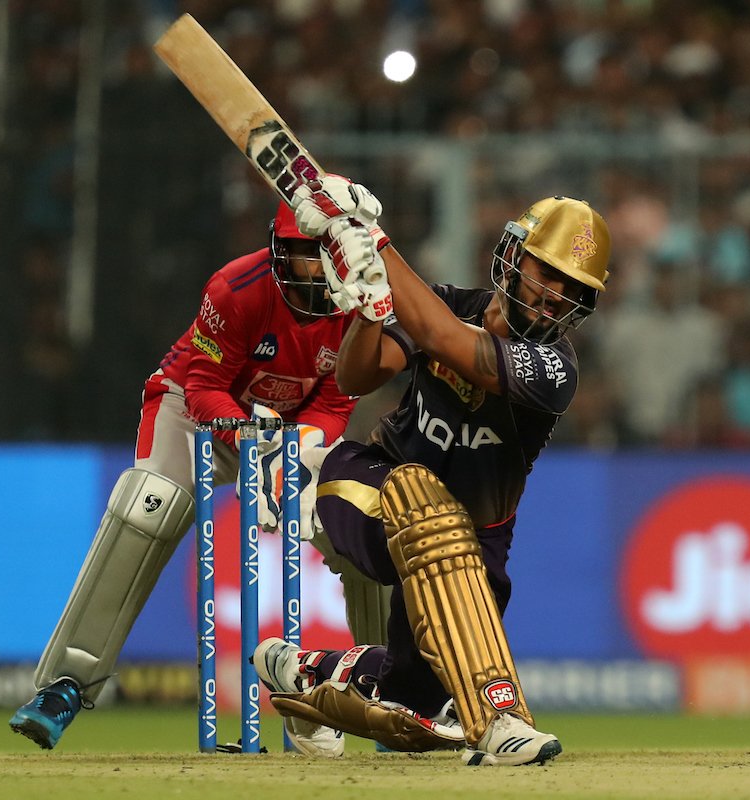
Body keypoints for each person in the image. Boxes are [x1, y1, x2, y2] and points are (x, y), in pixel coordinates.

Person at [252, 177, 611, 766]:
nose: (552, 297)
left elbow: (443, 337)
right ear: (514, 259)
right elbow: (354, 379)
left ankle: (302, 667)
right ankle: (500, 717)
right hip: (369, 485)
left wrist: (374, 242)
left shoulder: (554, 369)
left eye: (571, 290)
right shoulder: (446, 300)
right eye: (546, 274)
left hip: (470, 550)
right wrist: (370, 310)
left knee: (412, 696)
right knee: (424, 500)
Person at [9, 203, 391, 755]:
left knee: (356, 518)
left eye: (322, 256)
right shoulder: (238, 286)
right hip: (197, 413)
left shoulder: (362, 305)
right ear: (280, 252)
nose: (314, 270)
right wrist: (247, 440)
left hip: (289, 431)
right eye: (303, 256)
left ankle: (391, 693)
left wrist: (293, 454)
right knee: (150, 503)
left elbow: (334, 403)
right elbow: (205, 383)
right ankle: (65, 685)